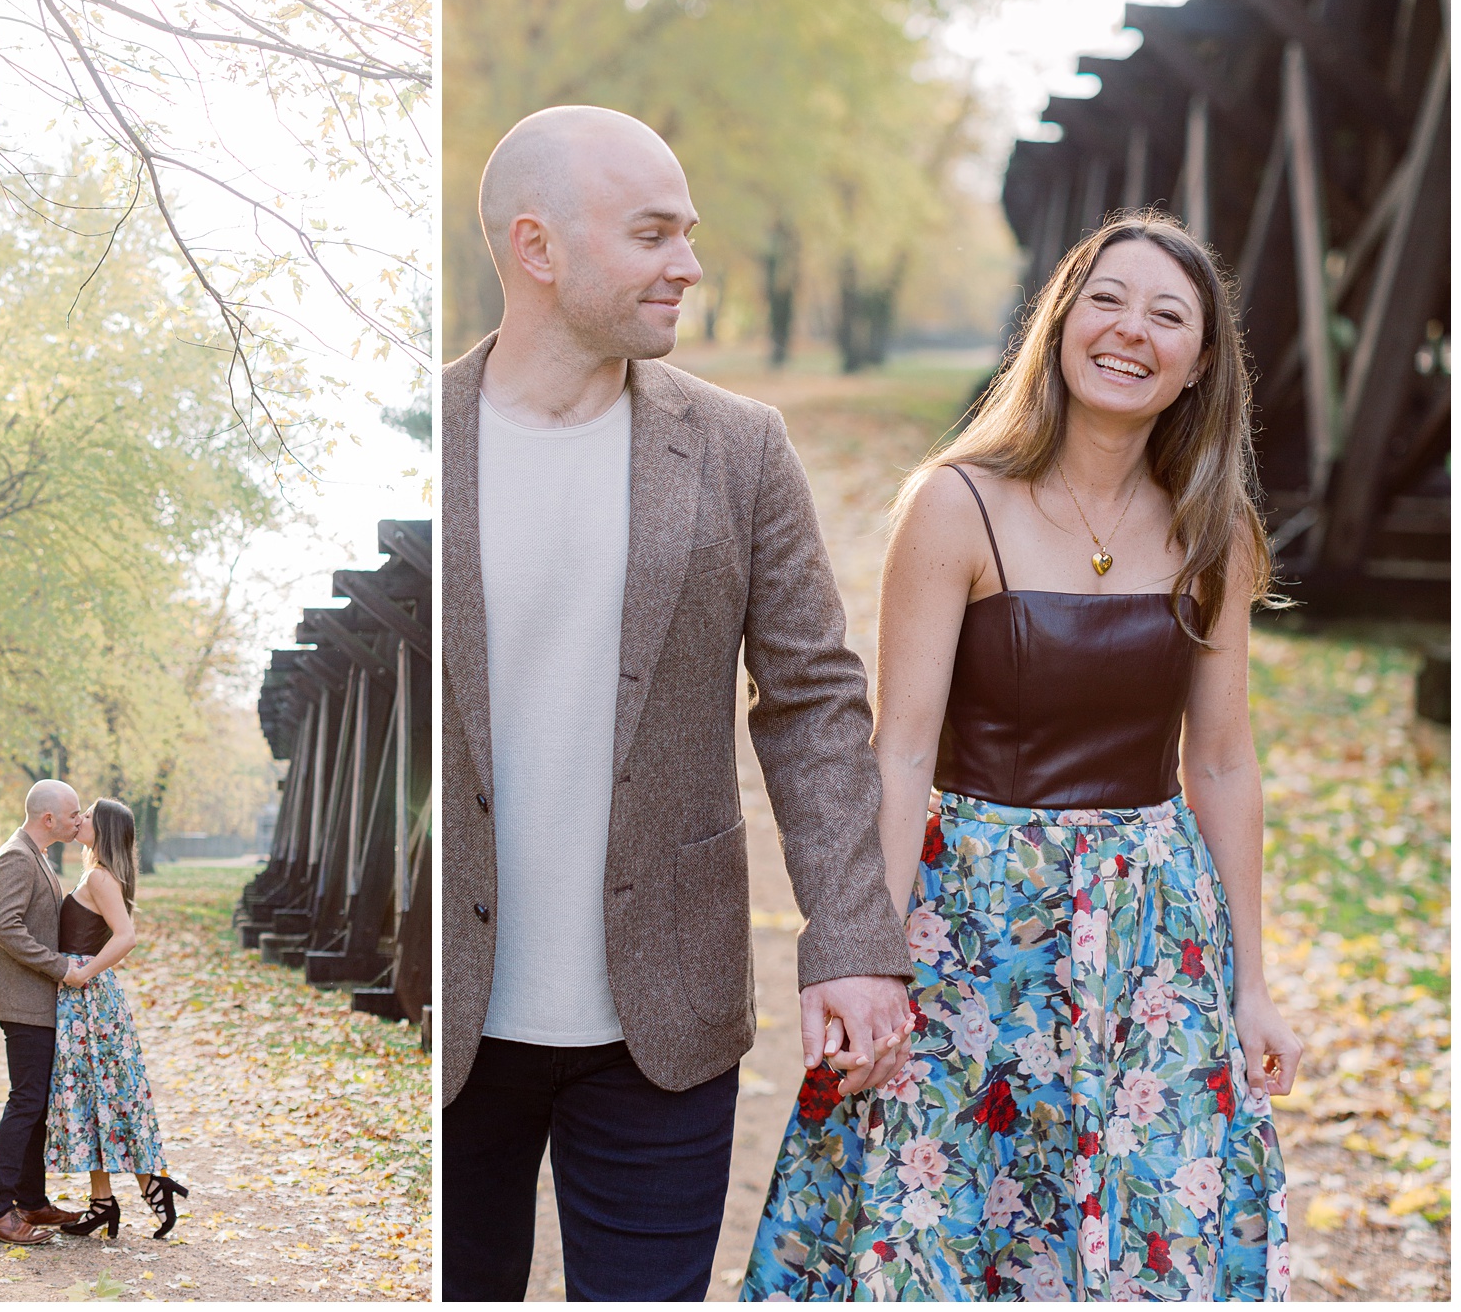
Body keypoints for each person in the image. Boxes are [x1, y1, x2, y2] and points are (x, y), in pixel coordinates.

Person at [740, 211, 1301, 1301]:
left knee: (1147, 1227)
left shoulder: (1211, 528)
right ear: (1056, 325)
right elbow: (897, 754)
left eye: (1165, 315)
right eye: (1105, 299)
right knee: (943, 1218)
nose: (1128, 330)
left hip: (1150, 938)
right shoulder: (954, 504)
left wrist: (1250, 984)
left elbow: (1222, 763)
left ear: (1195, 366)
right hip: (971, 926)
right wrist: (873, 953)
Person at [440, 104, 915, 1302]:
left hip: (663, 1015)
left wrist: (851, 941)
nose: (688, 265)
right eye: (652, 234)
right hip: (442, 1018)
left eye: (687, 234)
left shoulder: (740, 449)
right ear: (539, 249)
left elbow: (809, 701)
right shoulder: (419, 441)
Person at [44, 798, 189, 1239]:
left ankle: (146, 1184)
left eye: (86, 815)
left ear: (102, 829)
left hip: (88, 1001)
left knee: (103, 1094)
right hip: (84, 1001)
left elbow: (126, 937)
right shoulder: (101, 875)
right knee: (94, 1098)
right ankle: (104, 1201)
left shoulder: (99, 877)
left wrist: (83, 972)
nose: (79, 819)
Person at [0, 778, 96, 1245]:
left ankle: (30, 1201)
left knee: (36, 1103)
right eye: (72, 814)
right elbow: (3, 926)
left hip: (37, 998)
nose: (77, 820)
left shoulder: (37, 854)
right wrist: (61, 968)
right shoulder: (15, 856)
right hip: (23, 999)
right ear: (49, 818)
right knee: (25, 1102)